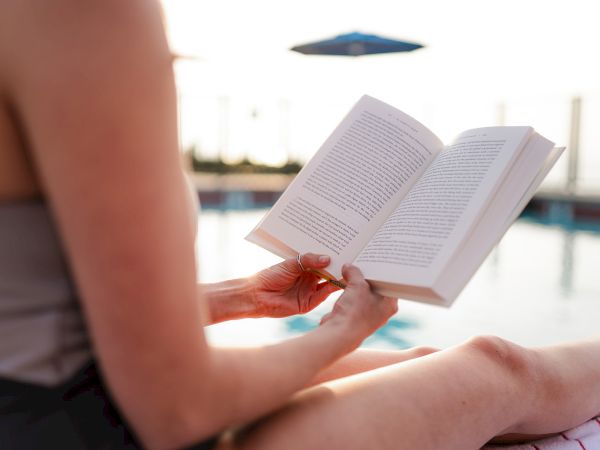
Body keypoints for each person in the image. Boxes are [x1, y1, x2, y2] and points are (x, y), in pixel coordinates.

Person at [1, 1, 599, 449]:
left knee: (422, 357)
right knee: (493, 367)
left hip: (54, 407)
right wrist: (340, 332)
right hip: (84, 426)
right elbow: (175, 410)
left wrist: (237, 298)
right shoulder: (81, 15)